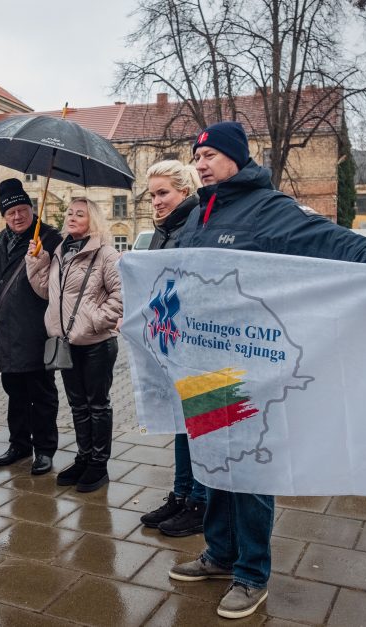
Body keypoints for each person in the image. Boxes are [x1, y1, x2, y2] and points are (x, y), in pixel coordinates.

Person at [168, 121, 366, 620]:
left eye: (210, 156)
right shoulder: (200, 210)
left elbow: (329, 240)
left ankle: (252, 574)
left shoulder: (269, 208)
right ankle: (219, 554)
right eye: (197, 157)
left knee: (250, 467)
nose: (200, 164)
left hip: (249, 367)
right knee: (215, 463)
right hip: (204, 365)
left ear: (237, 158)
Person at [26, 197, 122, 492]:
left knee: (97, 405)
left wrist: (94, 321)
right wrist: (36, 261)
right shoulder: (59, 252)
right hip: (66, 341)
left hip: (96, 342)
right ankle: (83, 457)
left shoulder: (106, 254)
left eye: (79, 214)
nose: (71, 217)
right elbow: (47, 292)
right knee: (78, 405)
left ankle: (98, 464)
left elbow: (121, 294)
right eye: (69, 212)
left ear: (92, 220)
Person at [138, 160, 209, 537]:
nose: (156, 202)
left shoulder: (195, 224)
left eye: (163, 193)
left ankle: (199, 501)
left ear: (185, 191)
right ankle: (182, 494)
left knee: (198, 422)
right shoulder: (163, 230)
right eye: (152, 195)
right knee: (183, 423)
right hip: (173, 340)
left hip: (195, 342)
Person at [0, 178, 63, 475]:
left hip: (37, 330)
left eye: (22, 209)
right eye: (10, 213)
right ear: (3, 216)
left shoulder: (49, 238)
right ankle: (19, 444)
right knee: (14, 391)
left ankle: (44, 449)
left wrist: (40, 255)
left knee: (41, 394)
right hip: (6, 331)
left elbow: (56, 288)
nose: (17, 216)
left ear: (32, 209)